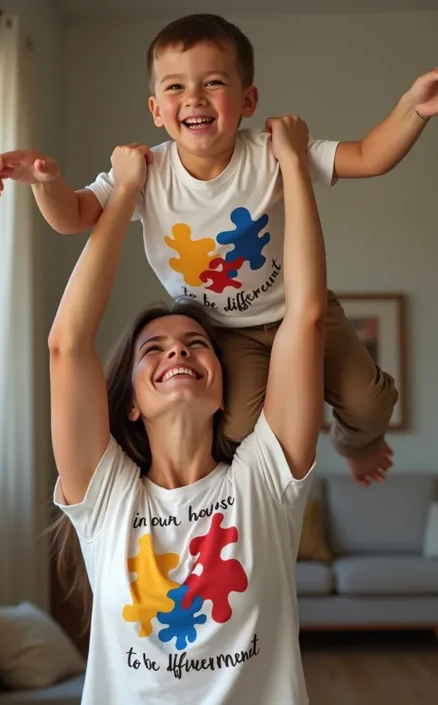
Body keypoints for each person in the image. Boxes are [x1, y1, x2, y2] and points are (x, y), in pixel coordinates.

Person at [0, 15, 437, 486]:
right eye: (176, 87)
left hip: (302, 311)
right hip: (224, 331)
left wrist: (414, 108)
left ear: (248, 100)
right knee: (237, 429)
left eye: (213, 82)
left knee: (371, 402)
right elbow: (74, 216)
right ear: (156, 109)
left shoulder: (272, 151)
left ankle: (356, 445)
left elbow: (369, 155)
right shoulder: (147, 173)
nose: (194, 97)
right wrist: (46, 184)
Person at [51, 114, 327, 705]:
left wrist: (296, 167)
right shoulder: (106, 499)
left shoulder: (265, 479)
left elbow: (303, 315)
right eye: (154, 349)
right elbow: (67, 346)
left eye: (196, 344)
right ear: (127, 404)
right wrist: (126, 191)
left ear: (224, 389)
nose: (177, 348)